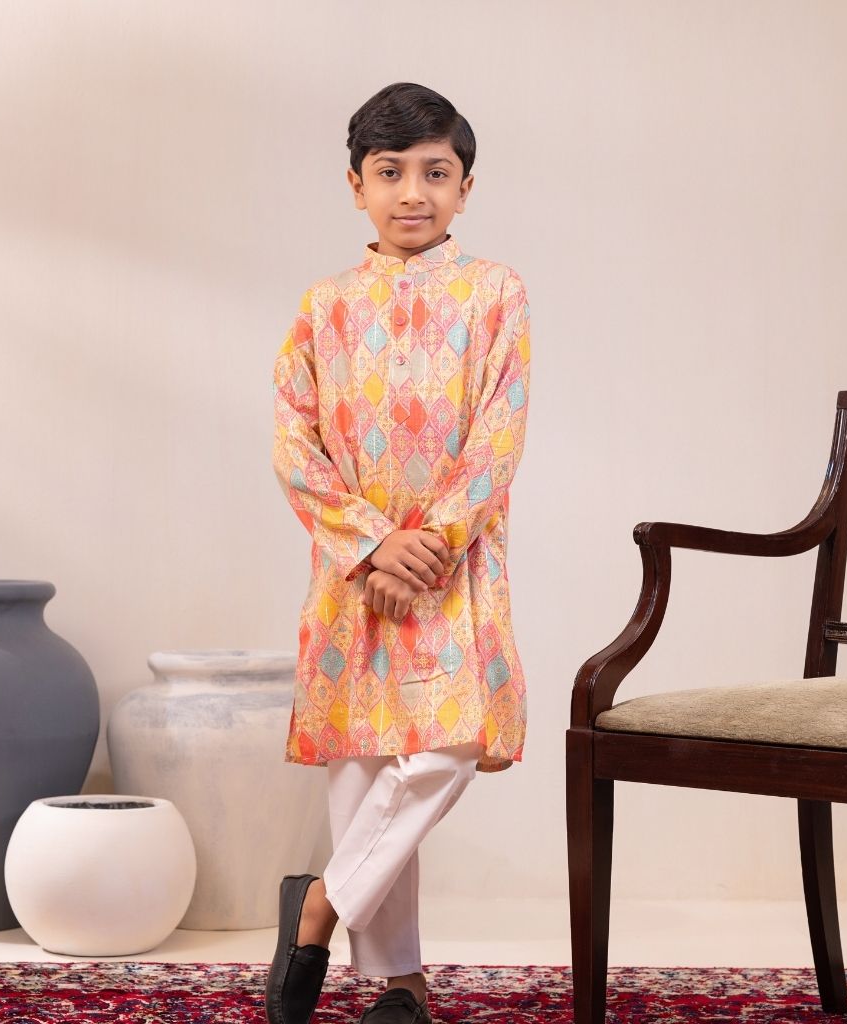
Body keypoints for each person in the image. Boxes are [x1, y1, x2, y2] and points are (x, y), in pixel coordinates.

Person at [266, 80, 531, 1024]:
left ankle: (318, 904)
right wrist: (374, 545)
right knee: (365, 765)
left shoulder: (494, 293)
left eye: (435, 172)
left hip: (454, 570)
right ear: (357, 186)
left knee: (447, 743)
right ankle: (398, 986)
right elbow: (294, 445)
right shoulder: (324, 307)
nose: (413, 192)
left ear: (465, 187)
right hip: (353, 575)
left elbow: (498, 435)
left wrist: (430, 545)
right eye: (390, 172)